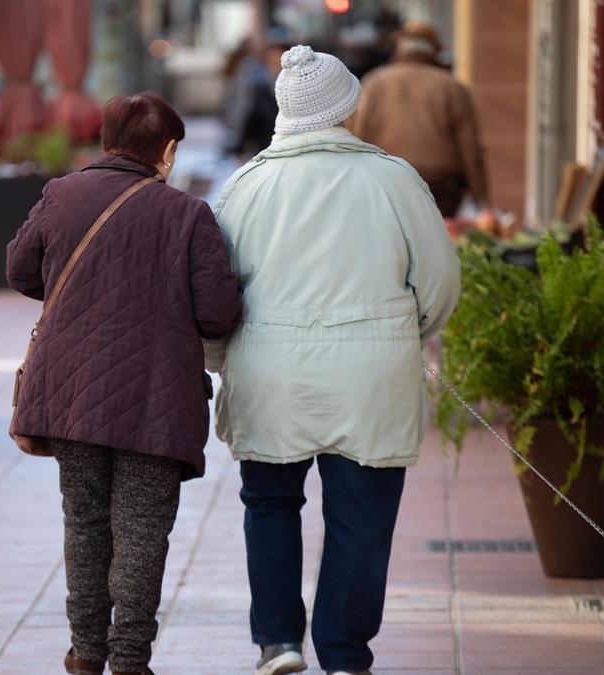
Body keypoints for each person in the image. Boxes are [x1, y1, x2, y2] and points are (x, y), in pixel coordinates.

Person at [208, 46, 460, 675]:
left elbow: (212, 293)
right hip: (371, 379)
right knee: (362, 518)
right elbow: (440, 281)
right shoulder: (394, 178)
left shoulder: (246, 185)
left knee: (269, 504)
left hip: (269, 375)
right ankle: (344, 654)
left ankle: (278, 643)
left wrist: (221, 360)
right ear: (347, 110)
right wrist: (405, 335)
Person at [6, 92, 242, 675]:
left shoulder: (61, 194)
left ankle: (86, 652)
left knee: (84, 520)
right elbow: (218, 313)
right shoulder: (187, 214)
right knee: (141, 529)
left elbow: (18, 268)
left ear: (108, 139)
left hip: (71, 393)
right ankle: (130, 658)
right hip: (154, 399)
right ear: (165, 151)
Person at [351, 20, 488, 218]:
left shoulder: (375, 82)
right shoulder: (451, 86)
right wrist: (480, 198)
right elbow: (470, 147)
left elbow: (358, 134)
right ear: (434, 50)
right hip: (442, 186)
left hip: (388, 180)